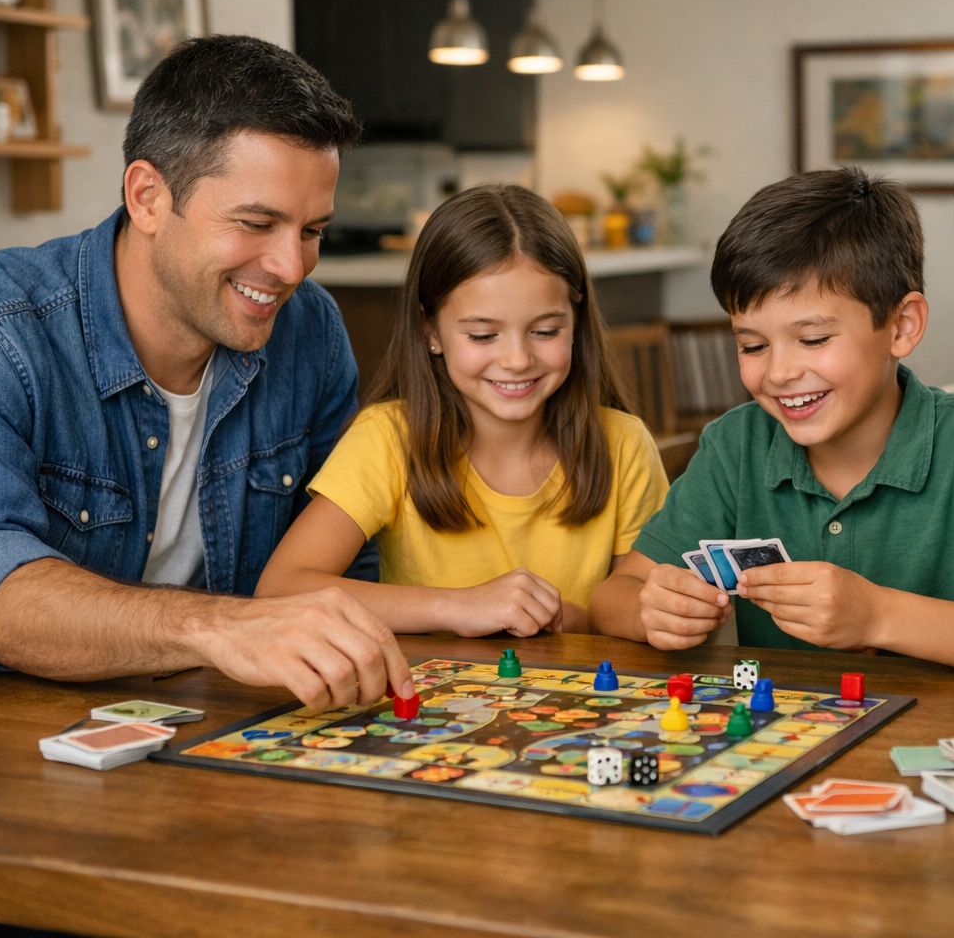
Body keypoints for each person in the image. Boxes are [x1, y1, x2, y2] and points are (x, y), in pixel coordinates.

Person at [0, 35, 415, 711]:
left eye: (311, 231)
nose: (292, 269)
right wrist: (218, 628)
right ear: (148, 196)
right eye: (257, 222)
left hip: (215, 729)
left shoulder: (311, 332)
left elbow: (341, 572)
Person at [589, 167, 954, 665]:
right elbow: (613, 597)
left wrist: (879, 617)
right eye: (751, 345)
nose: (778, 372)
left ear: (902, 326)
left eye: (813, 339)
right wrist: (650, 610)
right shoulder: (735, 447)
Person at [256, 184, 669, 636]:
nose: (516, 359)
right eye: (482, 335)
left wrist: (579, 620)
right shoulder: (389, 438)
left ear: (576, 324)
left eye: (546, 331)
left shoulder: (623, 444)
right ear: (429, 330)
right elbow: (281, 590)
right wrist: (459, 607)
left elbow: (637, 607)